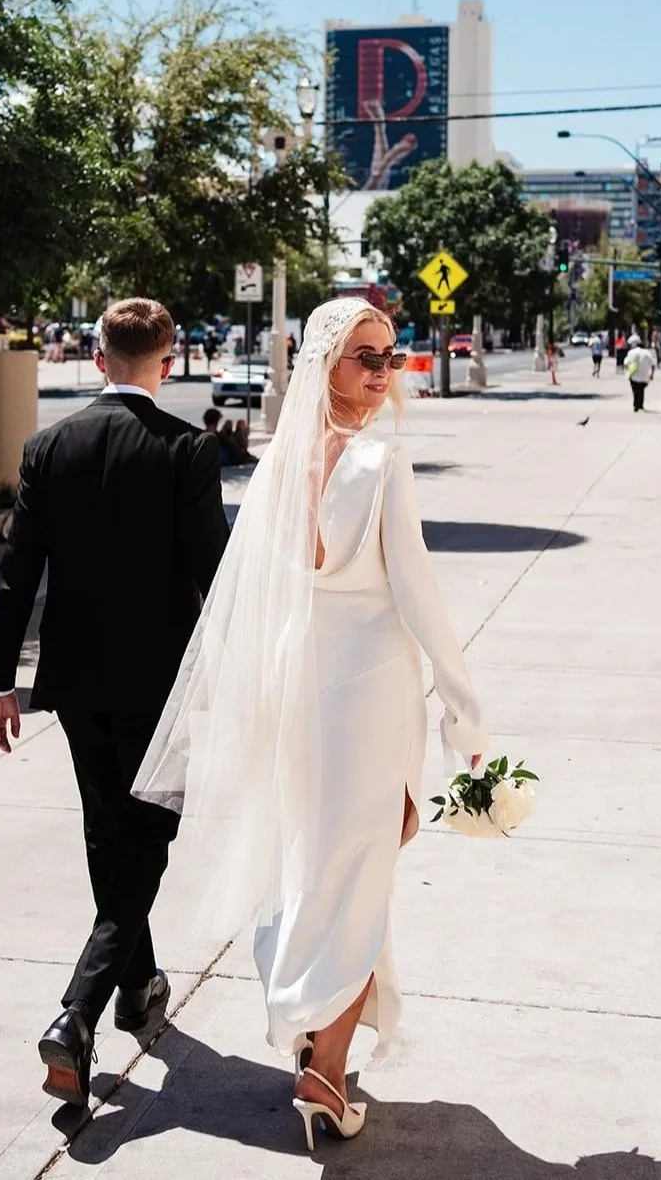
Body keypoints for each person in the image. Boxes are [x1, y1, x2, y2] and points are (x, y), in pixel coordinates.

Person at [134, 297, 488, 1152]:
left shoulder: (275, 465)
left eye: (389, 354)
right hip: (367, 692)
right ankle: (321, 1063)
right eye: (364, 355)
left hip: (300, 683)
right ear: (324, 364)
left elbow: (261, 595)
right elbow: (416, 589)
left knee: (318, 859)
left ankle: (309, 1027)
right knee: (363, 861)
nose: (381, 370)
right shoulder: (377, 459)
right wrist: (464, 708)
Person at [0, 298, 229, 1107]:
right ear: (167, 359)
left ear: (97, 359)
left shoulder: (49, 446)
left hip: (77, 678)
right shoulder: (186, 450)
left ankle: (139, 984)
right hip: (161, 683)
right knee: (147, 837)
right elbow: (214, 575)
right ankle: (77, 1012)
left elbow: (18, 574)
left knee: (106, 830)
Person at [623, 336, 657, 411]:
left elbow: (625, 363)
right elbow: (653, 364)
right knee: (641, 389)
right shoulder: (647, 353)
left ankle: (636, 403)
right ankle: (640, 404)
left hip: (633, 373)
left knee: (635, 389)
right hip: (644, 375)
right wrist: (652, 374)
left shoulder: (631, 352)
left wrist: (628, 371)